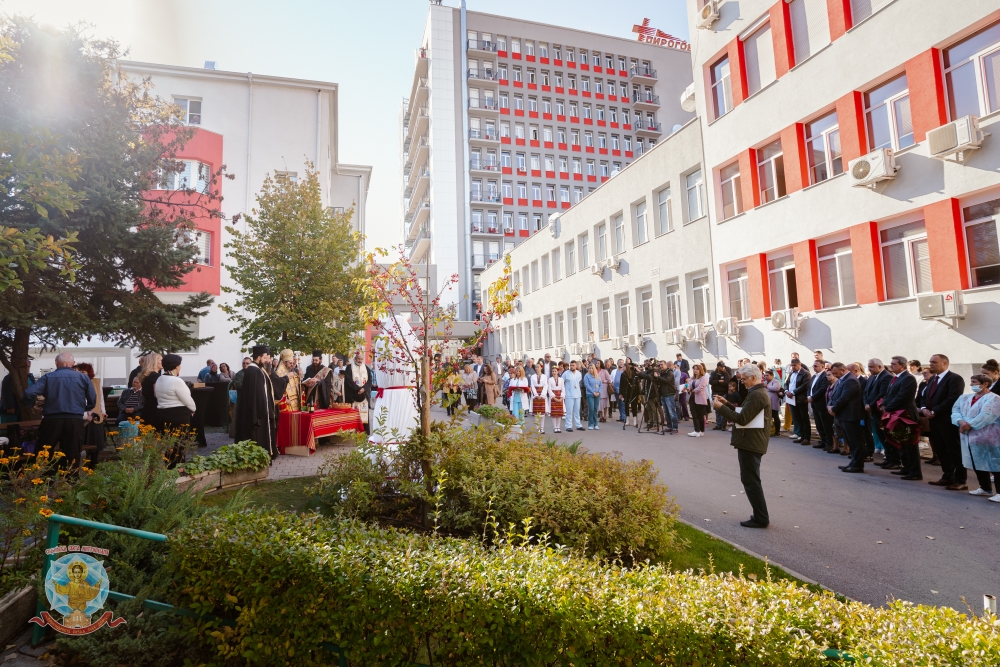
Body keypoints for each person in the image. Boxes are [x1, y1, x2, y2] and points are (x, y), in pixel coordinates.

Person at [712, 364, 772, 528]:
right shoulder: (756, 392)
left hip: (751, 442)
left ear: (753, 377)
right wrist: (727, 404)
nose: (742, 382)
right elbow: (746, 413)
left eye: (744, 379)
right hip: (750, 441)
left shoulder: (757, 394)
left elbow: (743, 419)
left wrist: (721, 408)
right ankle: (760, 516)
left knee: (751, 481)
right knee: (750, 480)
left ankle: (761, 518)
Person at [22, 353, 96, 469]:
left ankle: (43, 476)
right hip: (74, 419)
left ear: (56, 363)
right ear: (73, 363)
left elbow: (29, 393)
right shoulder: (83, 378)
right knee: (73, 453)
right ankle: (71, 477)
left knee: (44, 451)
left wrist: (30, 404)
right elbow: (92, 397)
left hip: (52, 419)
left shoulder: (48, 377)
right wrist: (86, 408)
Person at [921, 354, 967, 490]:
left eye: (934, 362)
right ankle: (947, 476)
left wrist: (935, 410)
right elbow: (925, 396)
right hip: (933, 420)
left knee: (954, 450)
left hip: (947, 420)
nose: (931, 364)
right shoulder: (933, 379)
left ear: (945, 363)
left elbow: (953, 398)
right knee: (940, 449)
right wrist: (924, 409)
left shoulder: (954, 378)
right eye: (930, 362)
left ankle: (961, 480)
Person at [952, 374, 1000, 502]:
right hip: (969, 436)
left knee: (995, 464)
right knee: (976, 462)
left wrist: (968, 425)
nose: (971, 384)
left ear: (985, 384)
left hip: (988, 436)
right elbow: (956, 411)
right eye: (971, 382)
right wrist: (960, 422)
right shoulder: (965, 398)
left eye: (974, 382)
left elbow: (987, 415)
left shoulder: (994, 398)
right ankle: (985, 488)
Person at [233, 345, 279, 459]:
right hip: (257, 413)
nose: (266, 360)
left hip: (259, 410)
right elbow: (257, 394)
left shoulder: (257, 370)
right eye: (264, 357)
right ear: (259, 357)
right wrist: (263, 411)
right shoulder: (254, 371)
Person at [882, 356, 922, 480]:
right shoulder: (896, 378)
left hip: (906, 414)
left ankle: (915, 472)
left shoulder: (908, 378)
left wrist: (888, 407)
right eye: (891, 363)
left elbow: (902, 396)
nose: (891, 366)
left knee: (910, 444)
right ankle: (906, 467)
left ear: (902, 366)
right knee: (902, 443)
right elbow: (889, 394)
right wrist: (884, 403)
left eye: (894, 364)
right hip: (896, 414)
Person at [155, 354, 196, 466]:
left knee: (169, 446)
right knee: (179, 446)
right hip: (178, 416)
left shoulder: (159, 379)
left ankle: (169, 468)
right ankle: (178, 469)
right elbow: (187, 400)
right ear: (177, 366)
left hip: (162, 414)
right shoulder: (176, 381)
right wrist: (193, 409)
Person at [829, 362, 865, 473]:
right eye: (833, 373)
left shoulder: (850, 380)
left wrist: (834, 409)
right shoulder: (843, 379)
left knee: (855, 441)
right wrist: (830, 405)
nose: (834, 375)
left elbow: (844, 398)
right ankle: (853, 463)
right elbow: (835, 395)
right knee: (850, 440)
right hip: (844, 415)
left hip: (850, 416)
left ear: (843, 370)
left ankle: (857, 465)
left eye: (836, 373)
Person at [865, 359, 894, 467]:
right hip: (873, 411)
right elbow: (866, 392)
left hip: (881, 411)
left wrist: (871, 405)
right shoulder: (872, 377)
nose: (869, 369)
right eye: (869, 367)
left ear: (880, 367)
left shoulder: (886, 377)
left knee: (886, 436)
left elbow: (882, 394)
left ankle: (893, 459)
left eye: (871, 367)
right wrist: (866, 404)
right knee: (880, 435)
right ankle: (888, 459)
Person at [344, 349, 373, 431]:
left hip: (364, 395)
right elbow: (348, 380)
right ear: (355, 359)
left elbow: (370, 380)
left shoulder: (366, 368)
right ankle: (353, 431)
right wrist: (358, 388)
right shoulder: (349, 367)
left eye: (361, 359)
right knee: (353, 414)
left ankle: (364, 432)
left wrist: (364, 388)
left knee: (364, 414)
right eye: (358, 359)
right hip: (353, 395)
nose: (360, 360)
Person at [784, 358, 811, 444]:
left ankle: (806, 437)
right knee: (797, 418)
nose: (793, 367)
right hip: (791, 399)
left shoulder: (806, 373)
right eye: (792, 365)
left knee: (804, 418)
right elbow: (786, 383)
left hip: (801, 399)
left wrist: (793, 392)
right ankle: (801, 435)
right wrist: (786, 391)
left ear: (800, 365)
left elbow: (805, 386)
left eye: (794, 365)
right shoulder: (791, 373)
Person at [807, 359, 833, 450]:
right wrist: (808, 396)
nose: (814, 367)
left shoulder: (825, 376)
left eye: (816, 366)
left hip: (822, 404)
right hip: (814, 404)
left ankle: (829, 443)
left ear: (822, 366)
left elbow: (823, 389)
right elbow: (810, 388)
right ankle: (823, 441)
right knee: (818, 424)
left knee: (825, 424)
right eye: (813, 366)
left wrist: (813, 397)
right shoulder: (814, 376)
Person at [138, 353, 163, 431]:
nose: (163, 362)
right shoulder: (155, 376)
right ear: (154, 362)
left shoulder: (146, 376)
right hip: (155, 410)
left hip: (147, 408)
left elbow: (142, 393)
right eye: (161, 360)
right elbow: (157, 394)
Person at [688, 364, 709, 437]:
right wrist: (688, 388)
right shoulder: (692, 378)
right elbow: (689, 386)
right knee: (694, 414)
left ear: (700, 370)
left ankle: (701, 431)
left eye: (697, 369)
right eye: (694, 369)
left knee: (700, 415)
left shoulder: (703, 378)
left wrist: (693, 390)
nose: (695, 370)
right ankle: (697, 430)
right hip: (692, 398)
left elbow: (701, 387)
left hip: (700, 398)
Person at [562, 360, 583, 432]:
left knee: (577, 411)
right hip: (569, 395)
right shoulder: (566, 373)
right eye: (570, 365)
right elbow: (562, 382)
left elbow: (578, 382)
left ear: (576, 366)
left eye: (573, 365)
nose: (571, 367)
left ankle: (578, 425)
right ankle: (568, 426)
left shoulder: (579, 374)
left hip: (577, 394)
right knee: (569, 411)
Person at [710, 361, 732, 431]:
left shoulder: (726, 373)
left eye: (723, 367)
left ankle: (723, 425)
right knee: (717, 410)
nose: (722, 368)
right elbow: (711, 382)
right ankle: (718, 424)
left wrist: (719, 383)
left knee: (723, 409)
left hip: (723, 393)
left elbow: (727, 382)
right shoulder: (713, 373)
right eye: (721, 367)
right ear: (718, 367)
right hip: (715, 393)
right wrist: (718, 381)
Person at [619, 361, 640, 428]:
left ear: (626, 367)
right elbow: (621, 384)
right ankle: (627, 420)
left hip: (633, 392)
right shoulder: (623, 374)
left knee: (634, 406)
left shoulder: (633, 374)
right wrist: (620, 393)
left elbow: (637, 383)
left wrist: (639, 393)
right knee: (626, 406)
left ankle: (635, 421)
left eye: (624, 366)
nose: (623, 367)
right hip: (626, 392)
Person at [530, 363, 550, 433]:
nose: (536, 368)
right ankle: (537, 428)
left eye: (538, 367)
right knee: (536, 413)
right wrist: (536, 395)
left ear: (541, 368)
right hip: (535, 395)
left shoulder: (544, 376)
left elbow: (546, 385)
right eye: (536, 367)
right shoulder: (532, 376)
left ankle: (542, 428)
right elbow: (532, 386)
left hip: (542, 395)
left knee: (542, 413)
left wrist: (542, 395)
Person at [764, 369, 783, 437]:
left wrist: (767, 386)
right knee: (767, 416)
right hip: (766, 402)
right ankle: (769, 430)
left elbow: (776, 388)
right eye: (765, 375)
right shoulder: (765, 382)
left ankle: (777, 431)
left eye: (767, 375)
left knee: (775, 416)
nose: (766, 377)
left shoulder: (776, 381)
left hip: (774, 402)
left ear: (772, 376)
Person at [583, 364, 602, 431]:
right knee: (591, 409)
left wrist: (599, 392)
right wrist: (593, 392)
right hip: (590, 394)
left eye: (592, 368)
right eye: (589, 368)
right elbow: (586, 385)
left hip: (597, 394)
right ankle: (590, 424)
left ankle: (595, 424)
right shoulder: (587, 376)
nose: (590, 369)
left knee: (595, 409)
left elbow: (600, 385)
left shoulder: (598, 376)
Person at [547, 366, 565, 434]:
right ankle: (555, 427)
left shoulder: (561, 379)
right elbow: (549, 389)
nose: (554, 372)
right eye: (553, 371)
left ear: (557, 372)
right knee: (554, 413)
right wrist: (553, 397)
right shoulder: (550, 379)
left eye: (555, 371)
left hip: (559, 396)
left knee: (559, 413)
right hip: (553, 397)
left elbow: (563, 388)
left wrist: (561, 397)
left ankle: (558, 427)